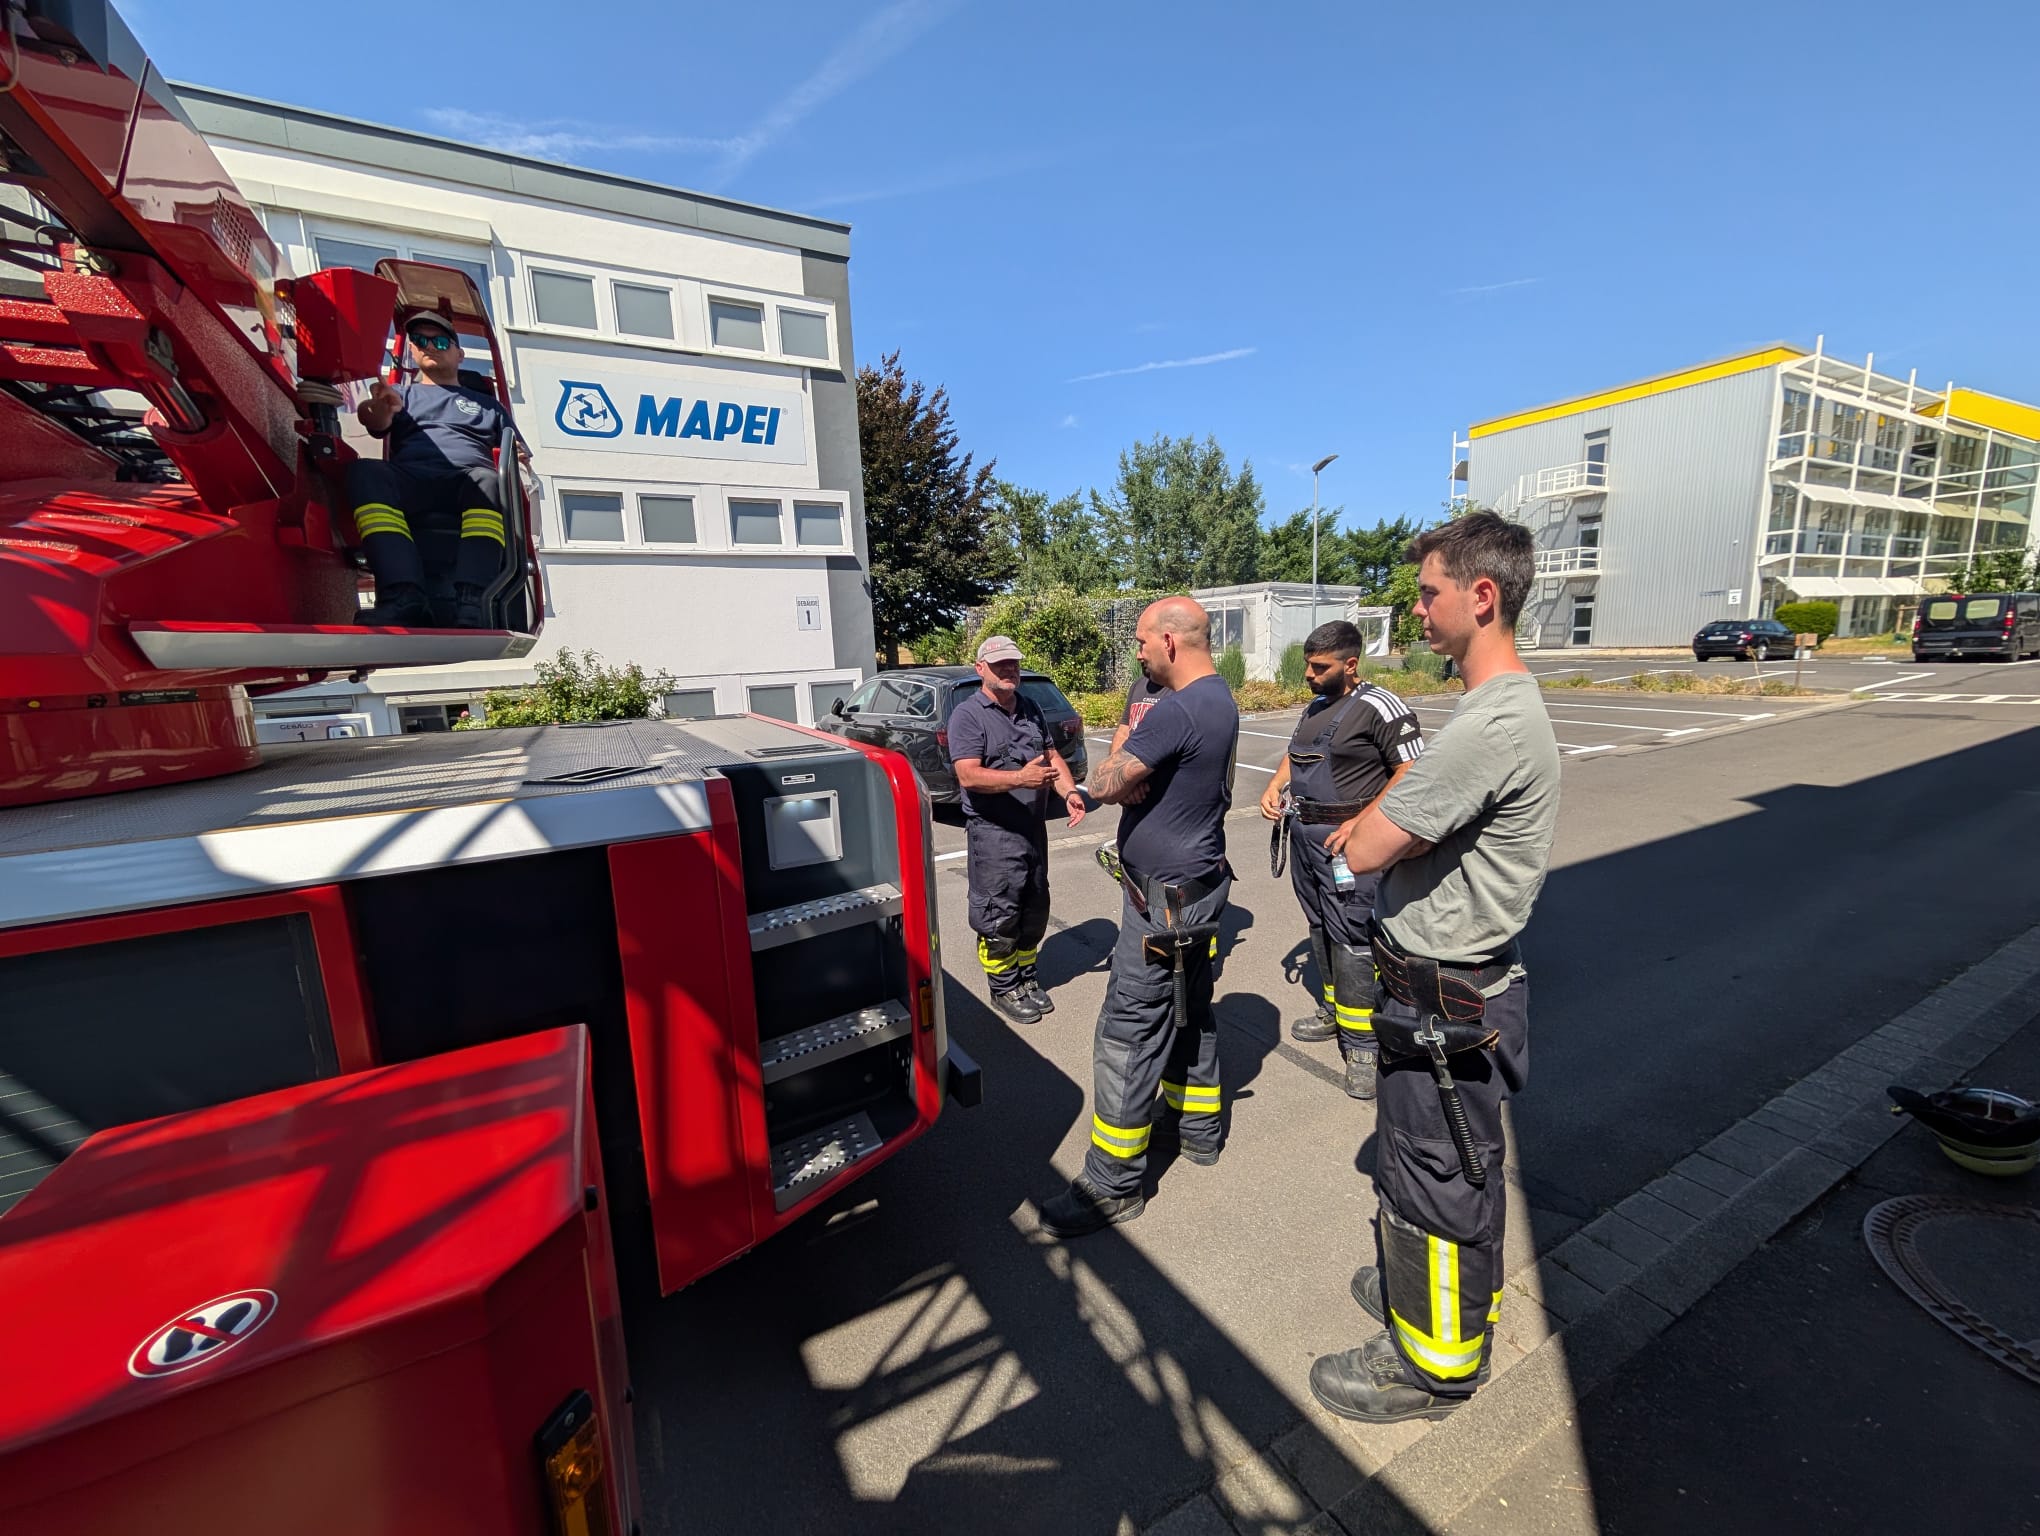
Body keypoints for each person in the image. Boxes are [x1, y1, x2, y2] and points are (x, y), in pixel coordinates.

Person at [1304, 512, 1559, 1424]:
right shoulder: (1490, 715)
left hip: (1446, 1000)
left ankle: (1432, 1364)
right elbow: (1398, 815)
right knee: (1436, 1168)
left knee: (1436, 1173)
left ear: (1481, 597)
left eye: (1427, 592)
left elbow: (1368, 845)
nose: (1414, 610)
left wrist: (1372, 831)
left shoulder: (1491, 723)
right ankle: (1429, 1303)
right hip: (1444, 994)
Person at [1039, 597, 1239, 1237]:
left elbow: (1102, 781)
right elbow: (1129, 774)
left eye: (1144, 640)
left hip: (1164, 905)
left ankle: (1114, 1184)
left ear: (1173, 641)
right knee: (1191, 1008)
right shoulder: (1218, 699)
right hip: (1197, 891)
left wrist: (1082, 783)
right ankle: (1199, 1133)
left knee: (1127, 1031)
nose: (1138, 650)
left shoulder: (1177, 710)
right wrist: (1124, 777)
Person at [1258, 620, 1425, 1100]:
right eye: (1309, 665)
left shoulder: (1380, 706)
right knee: (1320, 926)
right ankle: (1334, 1012)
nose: (1308, 674)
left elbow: (1413, 771)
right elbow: (1297, 755)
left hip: (1349, 843)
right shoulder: (1315, 707)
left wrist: (1365, 823)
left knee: (1353, 936)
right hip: (1306, 839)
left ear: (1350, 664)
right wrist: (1275, 785)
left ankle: (1363, 1046)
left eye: (1319, 667)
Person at [345, 312, 524, 627]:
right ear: (412, 350)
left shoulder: (488, 407)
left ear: (460, 354)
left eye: (440, 341)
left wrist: (521, 461)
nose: (430, 346)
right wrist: (378, 409)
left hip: (468, 481)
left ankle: (473, 600)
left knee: (488, 480)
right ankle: (403, 595)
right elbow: (375, 421)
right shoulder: (401, 395)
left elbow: (518, 455)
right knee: (365, 473)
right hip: (412, 480)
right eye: (421, 341)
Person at [949, 636, 1087, 1025]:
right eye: (999, 665)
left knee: (1034, 909)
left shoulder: (1029, 708)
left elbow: (1051, 756)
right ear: (981, 669)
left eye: (1013, 664)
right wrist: (1020, 779)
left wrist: (1068, 791)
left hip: (1032, 830)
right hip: (994, 834)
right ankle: (1004, 987)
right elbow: (967, 774)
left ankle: (1026, 978)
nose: (1009, 670)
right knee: (998, 915)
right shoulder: (968, 715)